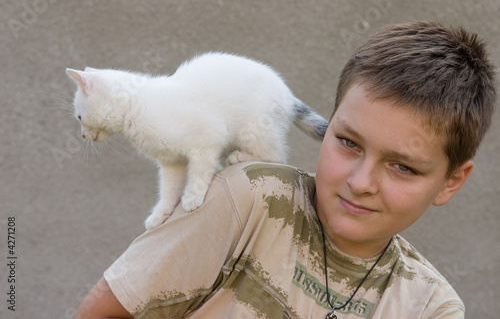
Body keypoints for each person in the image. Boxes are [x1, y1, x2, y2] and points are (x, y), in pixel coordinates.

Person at [75, 21, 496, 319]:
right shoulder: (249, 200)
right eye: (348, 143)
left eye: (402, 167)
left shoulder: (429, 307)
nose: (360, 183)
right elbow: (103, 312)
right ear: (329, 124)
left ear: (451, 182)